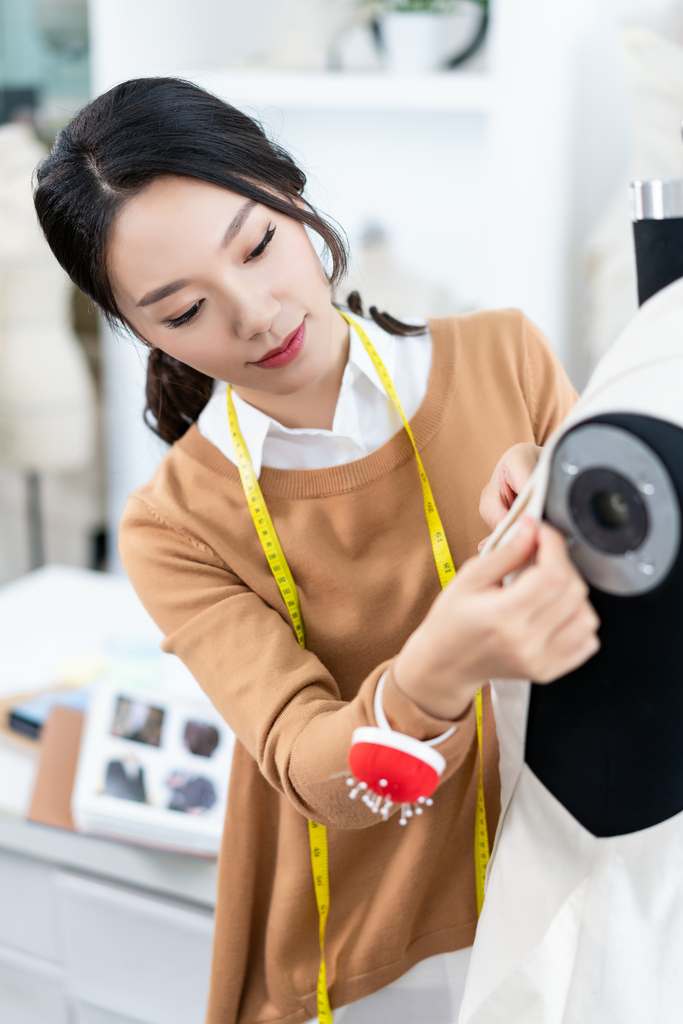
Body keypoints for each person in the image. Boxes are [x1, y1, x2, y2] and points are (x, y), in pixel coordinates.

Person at [33, 77, 599, 1024]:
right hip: (377, 949)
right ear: (137, 332)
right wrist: (435, 667)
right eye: (182, 313)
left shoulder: (506, 357)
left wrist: (585, 494)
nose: (254, 314)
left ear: (292, 194)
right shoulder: (174, 524)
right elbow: (312, 767)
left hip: (564, 887)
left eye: (257, 245)